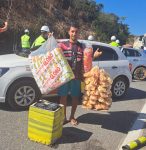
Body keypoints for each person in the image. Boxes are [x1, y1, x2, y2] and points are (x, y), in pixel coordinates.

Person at [58, 22, 102, 126]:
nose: (74, 34)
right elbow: (54, 54)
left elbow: (86, 60)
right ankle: (63, 117)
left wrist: (94, 56)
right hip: (64, 76)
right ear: (69, 32)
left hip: (77, 76)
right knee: (62, 97)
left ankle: (72, 117)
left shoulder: (82, 47)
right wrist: (50, 40)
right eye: (72, 31)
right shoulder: (62, 45)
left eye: (76, 32)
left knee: (75, 97)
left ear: (79, 34)